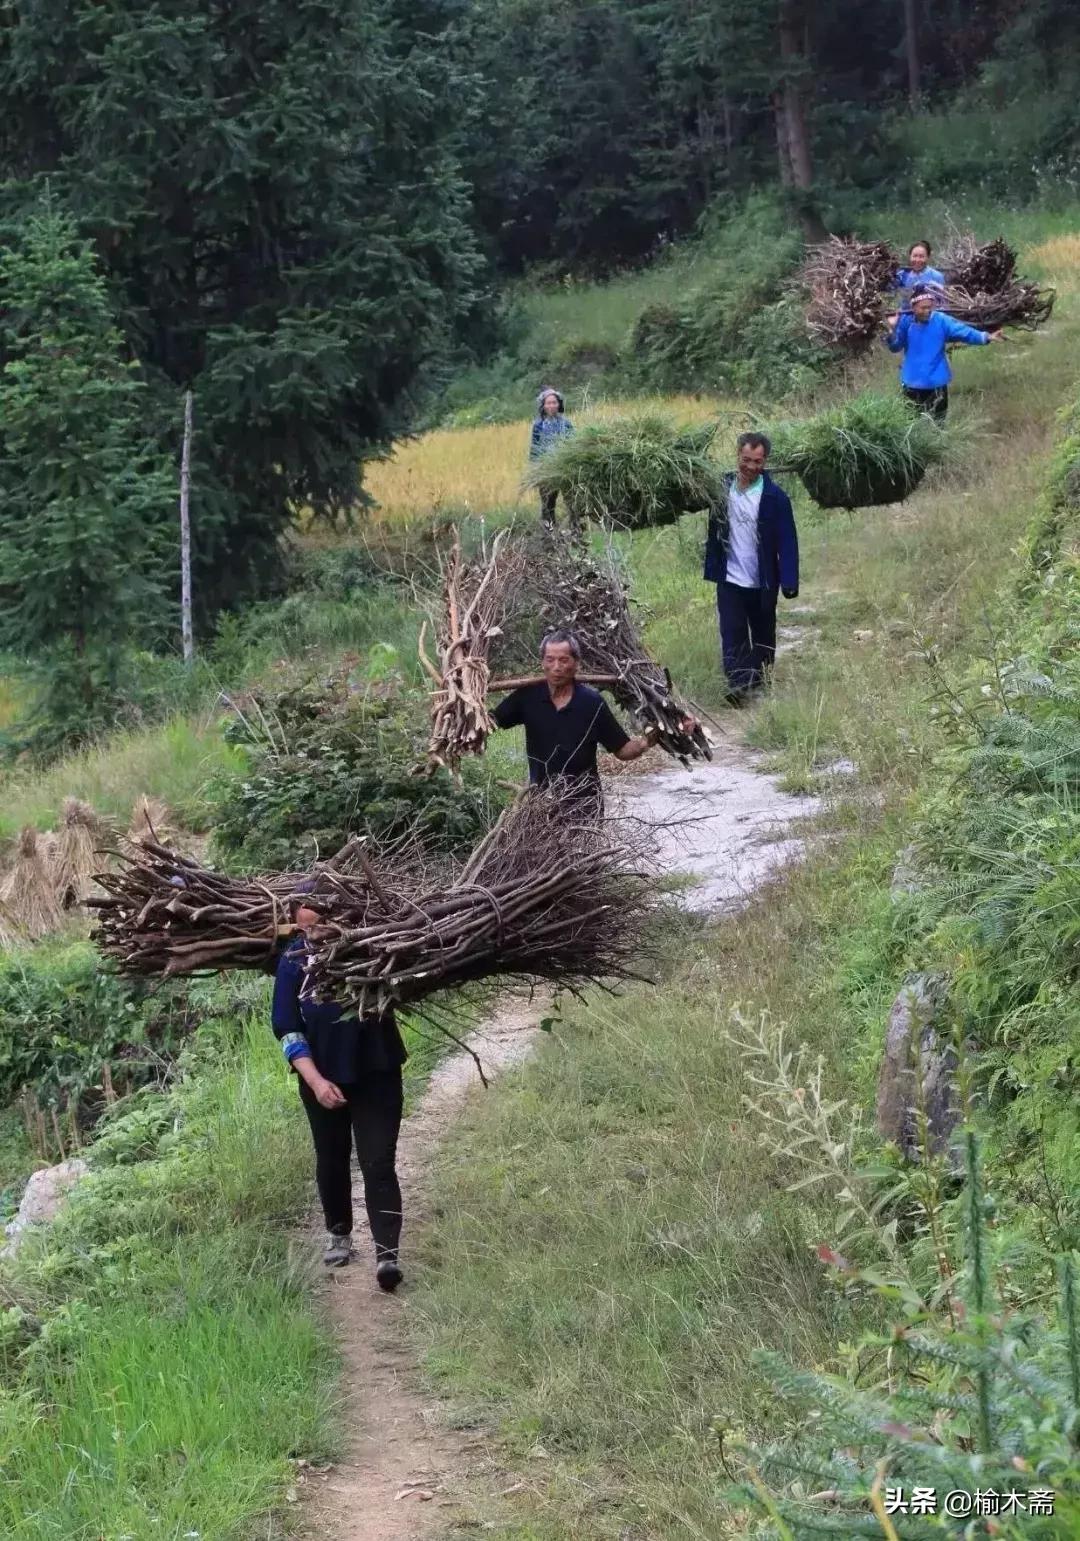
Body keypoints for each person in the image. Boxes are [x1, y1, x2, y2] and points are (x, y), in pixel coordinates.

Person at [272, 894, 407, 1290]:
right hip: (321, 1076)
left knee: (378, 1162)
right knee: (331, 1158)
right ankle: (339, 1232)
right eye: (303, 927)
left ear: (341, 917)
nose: (309, 934)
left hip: (376, 1071)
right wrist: (315, 1081)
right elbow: (286, 1027)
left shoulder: (375, 947)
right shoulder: (294, 962)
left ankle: (387, 1255)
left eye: (316, 926)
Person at [491, 628, 681, 809]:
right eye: (550, 660)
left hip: (585, 806)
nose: (556, 667)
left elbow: (622, 750)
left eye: (563, 660)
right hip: (541, 803)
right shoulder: (527, 697)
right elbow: (492, 721)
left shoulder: (591, 703)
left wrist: (647, 741)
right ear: (542, 663)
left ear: (576, 664)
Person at [703, 432, 799, 705]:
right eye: (746, 460)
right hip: (730, 577)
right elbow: (690, 498)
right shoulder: (721, 488)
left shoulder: (775, 497)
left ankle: (759, 680)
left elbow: (788, 541)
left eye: (757, 461)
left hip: (763, 580)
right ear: (738, 456)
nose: (751, 467)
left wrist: (789, 580)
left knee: (763, 635)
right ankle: (738, 685)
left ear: (765, 461)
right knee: (732, 633)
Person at [885, 285, 1002, 422]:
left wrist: (986, 337)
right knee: (911, 424)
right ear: (914, 307)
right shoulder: (906, 322)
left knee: (937, 425)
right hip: (912, 383)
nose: (927, 311)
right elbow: (895, 347)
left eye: (930, 307)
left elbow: (963, 332)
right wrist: (891, 329)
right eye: (923, 308)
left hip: (936, 384)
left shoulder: (940, 320)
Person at [529, 387, 575, 527]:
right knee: (548, 503)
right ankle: (549, 533)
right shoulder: (539, 425)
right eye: (548, 403)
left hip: (564, 467)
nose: (551, 406)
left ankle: (575, 529)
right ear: (543, 406)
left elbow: (574, 443)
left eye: (554, 402)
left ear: (559, 404)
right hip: (546, 469)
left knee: (571, 501)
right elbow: (535, 448)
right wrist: (535, 469)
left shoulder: (566, 424)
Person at [892, 240, 946, 308]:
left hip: (930, 315)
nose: (917, 260)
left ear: (928, 257)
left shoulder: (936, 276)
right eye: (914, 256)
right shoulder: (902, 275)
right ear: (910, 256)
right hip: (906, 314)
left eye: (921, 257)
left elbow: (943, 304)